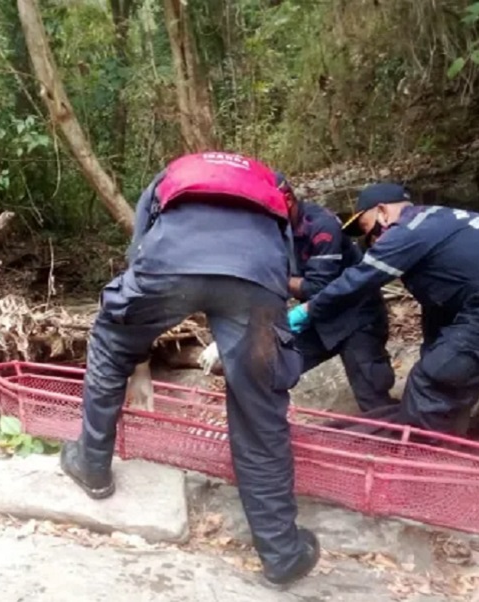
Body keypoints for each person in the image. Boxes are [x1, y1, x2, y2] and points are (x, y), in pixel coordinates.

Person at [60, 151, 321, 586]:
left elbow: (141, 243)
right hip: (255, 278)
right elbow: (286, 250)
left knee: (109, 342)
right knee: (260, 407)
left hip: (168, 265)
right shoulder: (269, 181)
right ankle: (281, 553)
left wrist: (135, 341)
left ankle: (92, 466)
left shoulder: (176, 171)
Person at [287, 182, 479, 522]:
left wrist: (307, 311)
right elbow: (441, 309)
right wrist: (435, 353)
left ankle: (423, 496)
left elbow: (357, 281)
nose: (370, 243)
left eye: (367, 230)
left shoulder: (407, 231)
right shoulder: (445, 223)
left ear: (382, 211)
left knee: (430, 384)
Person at [279, 173, 397, 412]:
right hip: (318, 317)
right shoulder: (275, 231)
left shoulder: (322, 226)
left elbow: (317, 286)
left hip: (356, 317)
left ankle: (431, 435)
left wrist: (275, 278)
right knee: (274, 368)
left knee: (374, 402)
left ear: (288, 199)